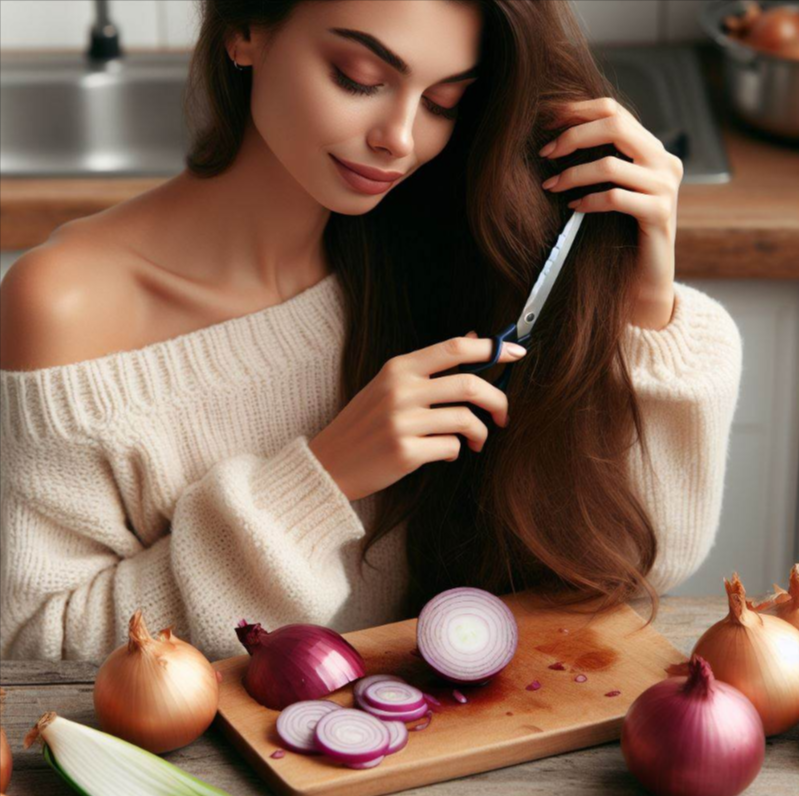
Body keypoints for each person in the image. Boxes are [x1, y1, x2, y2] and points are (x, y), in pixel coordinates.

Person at [0, 0, 742, 664]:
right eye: (358, 77)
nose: (399, 138)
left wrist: (642, 298)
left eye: (444, 101)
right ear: (245, 30)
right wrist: (317, 483)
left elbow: (639, 568)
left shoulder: (453, 253)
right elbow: (38, 653)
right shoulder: (65, 305)